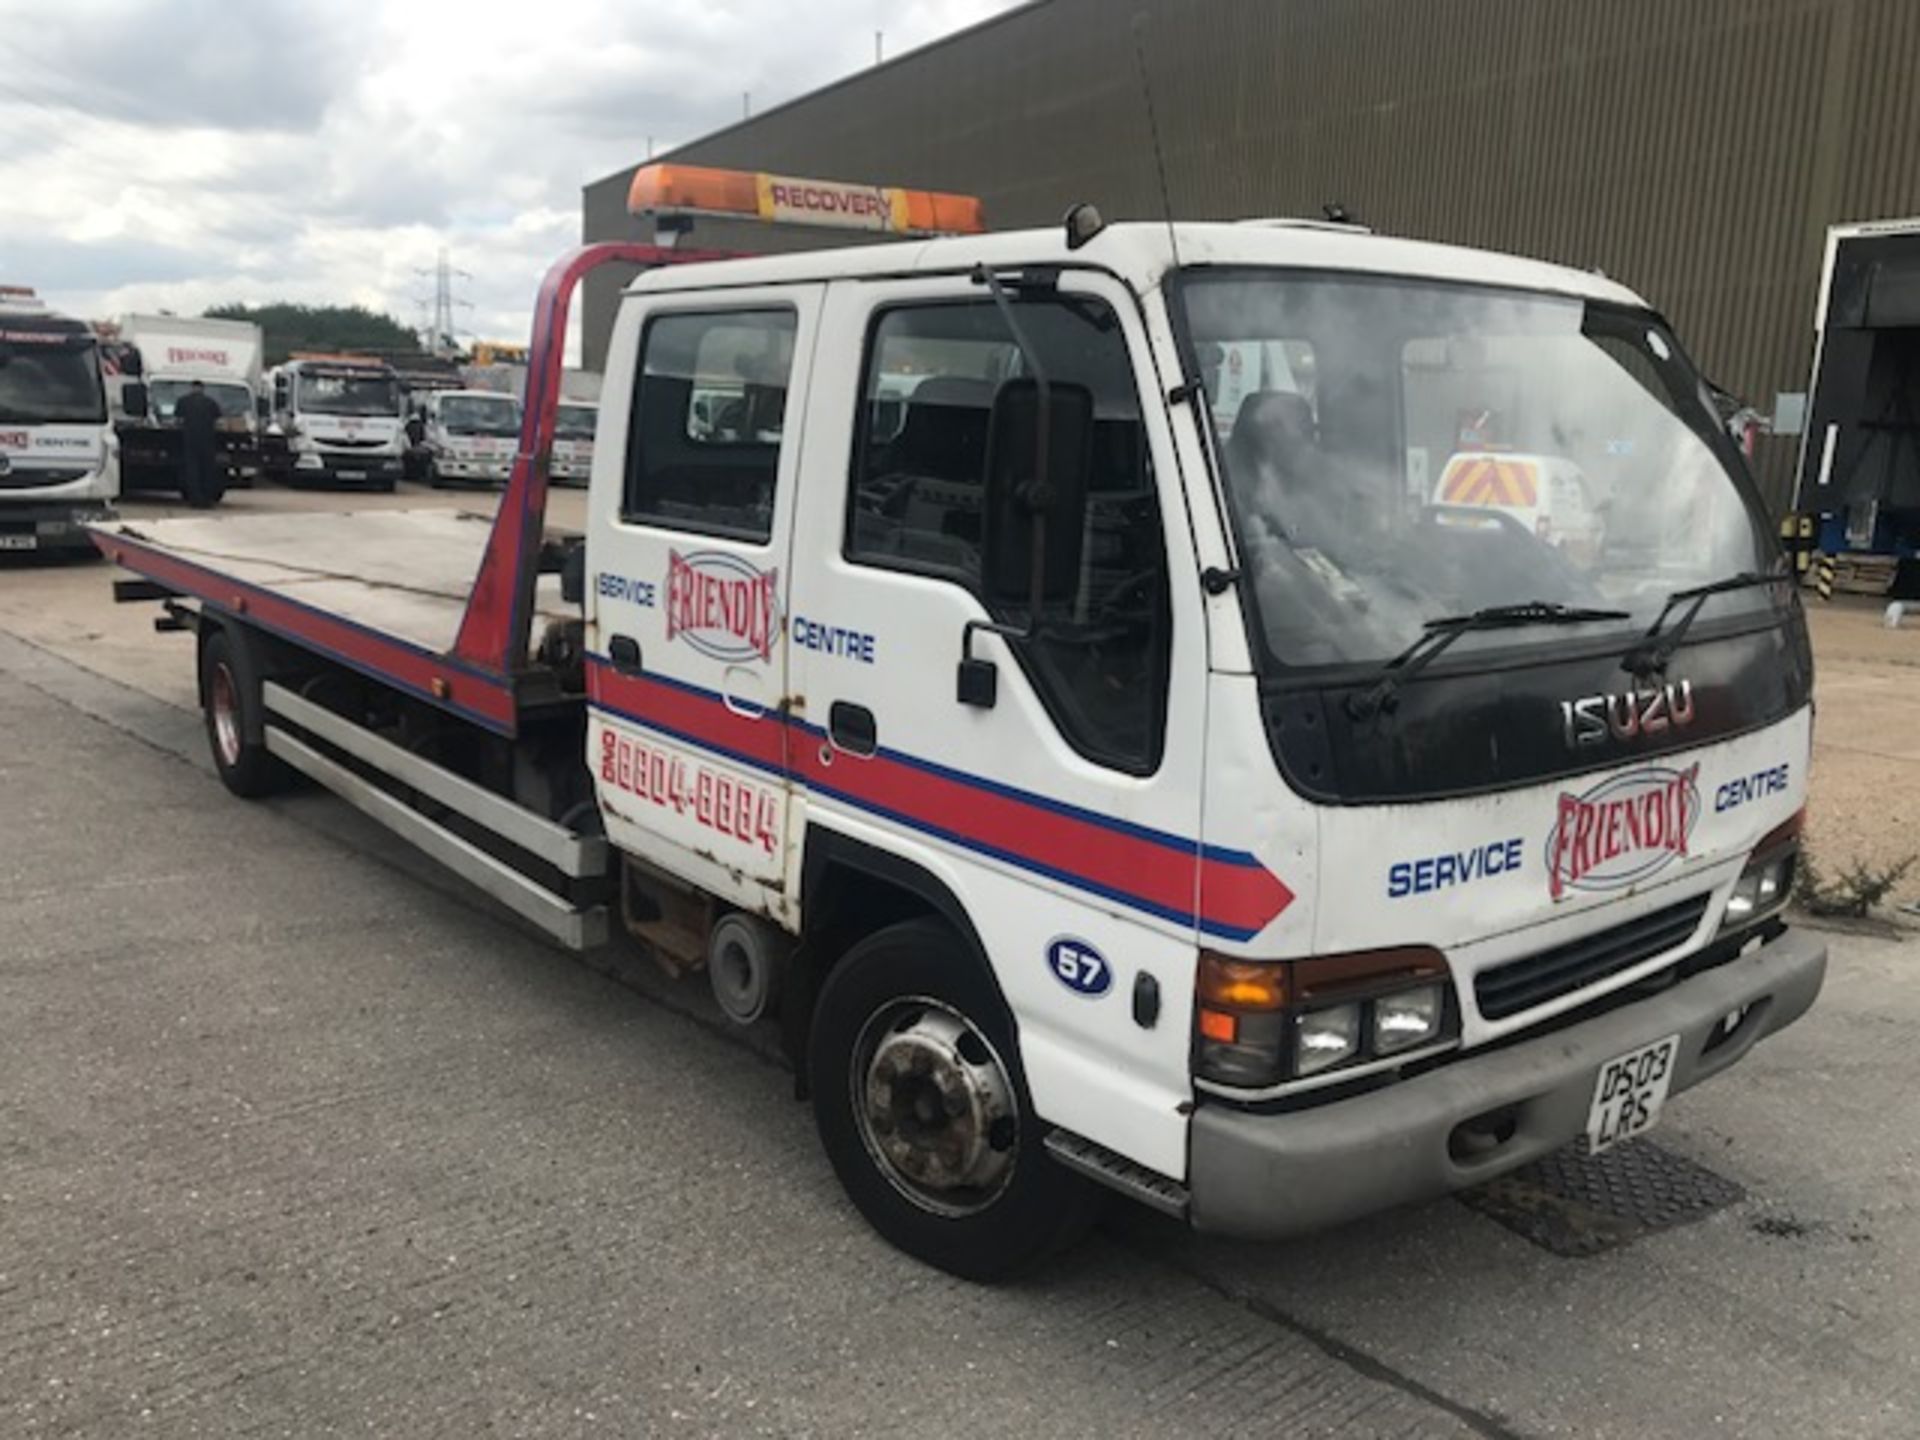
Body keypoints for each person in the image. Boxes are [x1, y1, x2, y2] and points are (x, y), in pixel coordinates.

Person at [173, 379, 224, 509]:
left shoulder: (183, 401)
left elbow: (177, 421)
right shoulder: (211, 402)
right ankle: (207, 500)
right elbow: (219, 422)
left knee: (192, 471)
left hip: (190, 441)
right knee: (207, 470)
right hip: (208, 441)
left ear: (192, 388)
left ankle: (194, 499)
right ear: (202, 389)